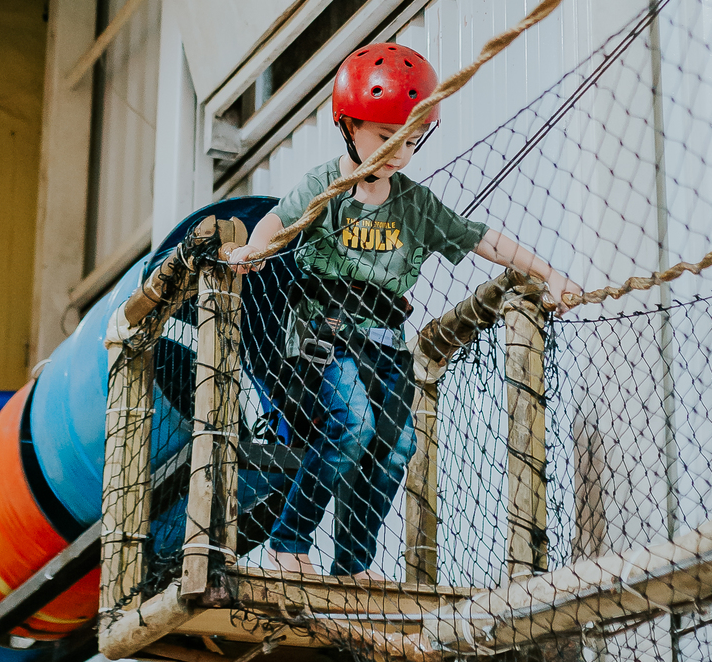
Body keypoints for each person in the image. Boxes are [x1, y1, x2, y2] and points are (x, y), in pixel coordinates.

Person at [226, 42, 581, 580]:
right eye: (384, 137)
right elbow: (280, 219)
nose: (397, 152)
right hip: (329, 335)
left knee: (397, 448)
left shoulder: (414, 203)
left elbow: (481, 238)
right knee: (350, 427)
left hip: (387, 344)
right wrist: (255, 249)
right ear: (348, 125)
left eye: (410, 141)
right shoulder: (324, 187)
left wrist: (548, 272)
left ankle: (351, 566)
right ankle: (288, 545)